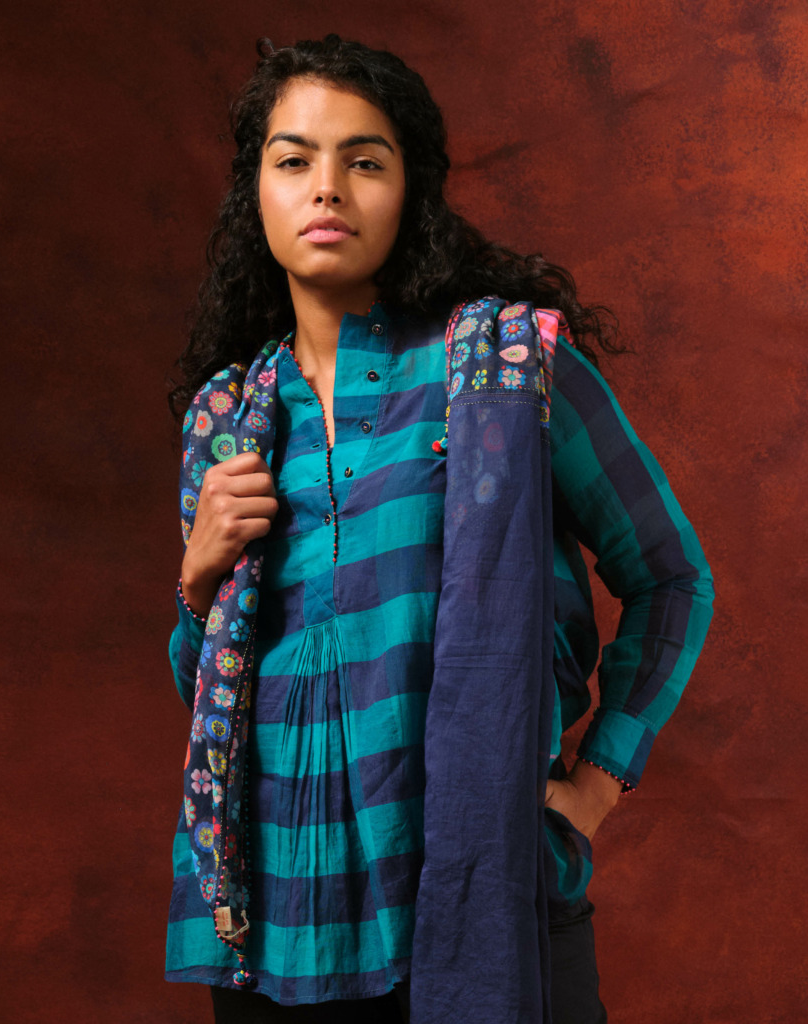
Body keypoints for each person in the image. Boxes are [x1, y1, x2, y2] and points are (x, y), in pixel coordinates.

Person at [165, 35, 713, 1024]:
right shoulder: (228, 421)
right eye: (292, 160)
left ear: (408, 190)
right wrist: (197, 579)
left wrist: (596, 782)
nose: (326, 188)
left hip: (482, 894)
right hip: (275, 927)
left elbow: (670, 577)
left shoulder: (506, 372)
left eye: (363, 161)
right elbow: (208, 698)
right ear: (255, 194)